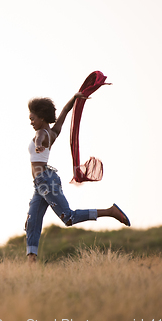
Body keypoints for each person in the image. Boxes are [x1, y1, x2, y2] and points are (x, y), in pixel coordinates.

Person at [25, 92, 130, 264]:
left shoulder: (42, 134)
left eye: (33, 118)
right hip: (41, 183)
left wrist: (37, 146)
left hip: (46, 182)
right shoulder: (53, 132)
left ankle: (110, 211)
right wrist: (74, 99)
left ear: (42, 117)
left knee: (68, 218)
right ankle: (31, 261)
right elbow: (65, 113)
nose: (31, 122)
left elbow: (39, 139)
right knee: (32, 222)